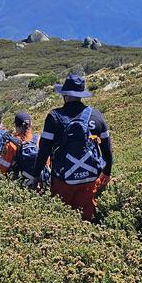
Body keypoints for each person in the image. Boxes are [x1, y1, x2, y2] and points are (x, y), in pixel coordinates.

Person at [29, 73, 113, 221]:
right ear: (81, 95)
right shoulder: (96, 116)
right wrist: (106, 172)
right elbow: (107, 150)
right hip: (90, 180)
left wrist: (36, 175)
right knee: (87, 220)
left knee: (63, 220)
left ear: (65, 95)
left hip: (63, 181)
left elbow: (44, 150)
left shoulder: (54, 117)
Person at [0, 111, 48, 184]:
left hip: (21, 187)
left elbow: (2, 169)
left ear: (16, 126)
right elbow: (47, 164)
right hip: (40, 185)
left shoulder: (11, 144)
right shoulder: (39, 139)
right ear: (30, 124)